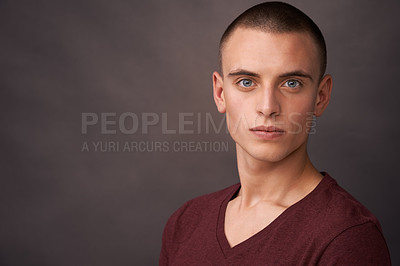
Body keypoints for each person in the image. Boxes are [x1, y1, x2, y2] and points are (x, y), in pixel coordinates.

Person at [159, 2, 391, 265]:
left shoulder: (347, 238)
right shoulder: (185, 222)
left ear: (321, 96)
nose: (268, 107)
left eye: (291, 83)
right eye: (246, 82)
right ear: (220, 93)